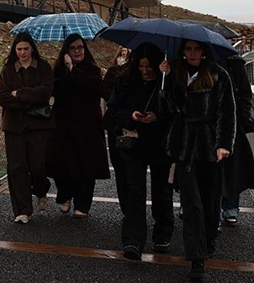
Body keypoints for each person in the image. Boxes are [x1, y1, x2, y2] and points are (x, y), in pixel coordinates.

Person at [160, 40, 236, 281]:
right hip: (184, 144)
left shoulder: (218, 74)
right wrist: (167, 80)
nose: (192, 53)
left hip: (209, 144)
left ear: (203, 51)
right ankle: (196, 257)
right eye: (188, 49)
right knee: (191, 201)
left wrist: (224, 143)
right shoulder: (175, 72)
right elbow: (170, 108)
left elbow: (227, 111)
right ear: (182, 51)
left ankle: (209, 235)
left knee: (210, 200)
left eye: (196, 49)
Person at [106, 43, 174, 261]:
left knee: (161, 189)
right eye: (141, 66)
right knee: (135, 190)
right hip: (134, 143)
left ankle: (162, 231)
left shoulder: (166, 82)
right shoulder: (124, 82)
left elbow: (176, 110)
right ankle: (133, 241)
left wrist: (157, 116)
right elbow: (113, 111)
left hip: (159, 143)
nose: (145, 70)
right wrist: (131, 117)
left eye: (149, 66)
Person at [49, 33, 110, 218]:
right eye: (73, 48)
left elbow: (93, 87)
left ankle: (82, 204)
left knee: (86, 165)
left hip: (87, 126)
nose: (77, 51)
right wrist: (65, 72)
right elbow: (53, 92)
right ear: (66, 51)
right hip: (63, 125)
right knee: (61, 162)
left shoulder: (92, 69)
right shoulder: (59, 70)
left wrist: (73, 69)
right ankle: (65, 194)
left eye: (80, 48)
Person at [0, 32, 55, 224]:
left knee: (38, 165)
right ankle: (23, 210)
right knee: (17, 167)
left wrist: (18, 94)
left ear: (32, 49)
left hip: (39, 125)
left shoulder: (43, 67)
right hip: (14, 125)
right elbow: (3, 98)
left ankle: (40, 190)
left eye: (26, 48)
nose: (23, 52)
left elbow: (45, 93)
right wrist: (30, 101)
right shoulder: (8, 70)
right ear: (15, 50)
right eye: (19, 49)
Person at [219, 55, 254, 226]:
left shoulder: (234, 64)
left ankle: (230, 207)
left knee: (233, 167)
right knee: (215, 169)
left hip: (233, 124)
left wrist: (241, 120)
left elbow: (245, 93)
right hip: (209, 124)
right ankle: (216, 210)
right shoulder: (201, 63)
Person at [101, 46, 131, 214]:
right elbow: (104, 90)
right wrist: (116, 95)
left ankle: (132, 208)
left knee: (132, 170)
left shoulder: (139, 71)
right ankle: (125, 207)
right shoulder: (113, 70)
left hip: (133, 124)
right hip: (114, 123)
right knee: (119, 166)